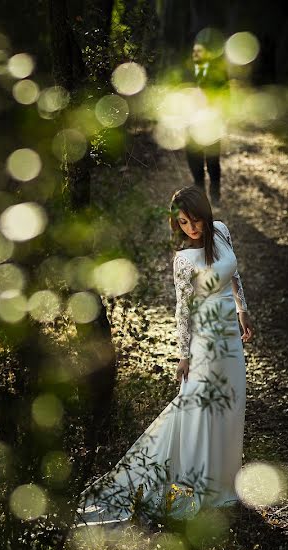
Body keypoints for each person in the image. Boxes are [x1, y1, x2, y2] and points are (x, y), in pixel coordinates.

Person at [75, 185, 253, 525]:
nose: (192, 228)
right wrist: (183, 355)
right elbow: (183, 310)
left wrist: (243, 310)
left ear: (206, 215)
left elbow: (236, 275)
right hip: (204, 341)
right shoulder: (184, 259)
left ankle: (225, 483)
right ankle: (196, 488)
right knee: (199, 409)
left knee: (231, 404)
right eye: (183, 223)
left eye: (195, 220)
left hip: (230, 337)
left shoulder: (221, 232)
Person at [186, 42, 229, 203]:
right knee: (193, 159)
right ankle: (200, 190)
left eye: (200, 51)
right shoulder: (187, 72)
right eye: (194, 51)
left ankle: (215, 191)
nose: (196, 54)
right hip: (191, 123)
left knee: (212, 160)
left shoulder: (218, 73)